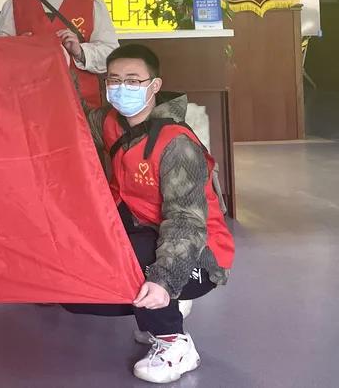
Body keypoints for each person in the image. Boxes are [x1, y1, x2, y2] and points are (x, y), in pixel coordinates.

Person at [64, 45, 234, 384]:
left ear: (154, 85)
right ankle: (157, 307)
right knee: (78, 288)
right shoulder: (111, 123)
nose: (122, 88)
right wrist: (61, 65)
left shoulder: (176, 144)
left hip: (198, 254)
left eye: (133, 80)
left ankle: (174, 342)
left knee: (133, 258)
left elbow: (186, 223)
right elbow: (71, 113)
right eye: (114, 80)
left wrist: (164, 280)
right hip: (143, 232)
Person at [0, 0, 117, 110]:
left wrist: (80, 51)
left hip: (81, 102)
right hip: (30, 99)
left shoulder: (91, 3)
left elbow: (111, 53)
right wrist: (19, 47)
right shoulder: (15, 4)